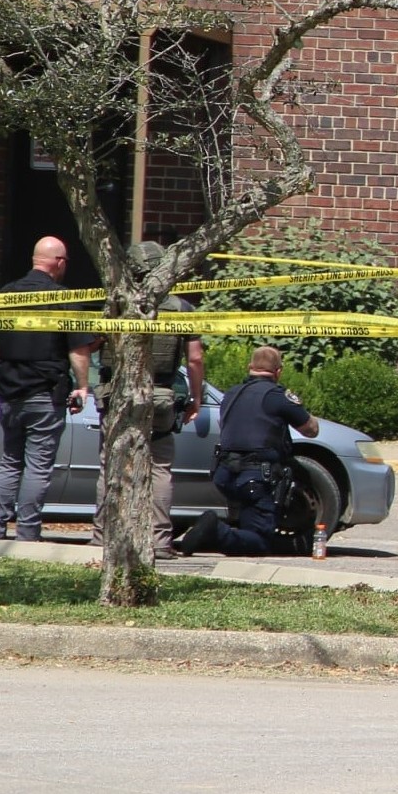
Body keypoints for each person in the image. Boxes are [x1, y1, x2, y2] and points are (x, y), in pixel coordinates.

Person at [91, 240, 205, 562]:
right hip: (160, 394)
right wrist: (196, 399)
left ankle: (101, 536)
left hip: (117, 393)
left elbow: (90, 342)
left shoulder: (115, 304)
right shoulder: (182, 309)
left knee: (110, 463)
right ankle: (159, 540)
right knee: (160, 468)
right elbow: (195, 359)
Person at [0, 237, 94, 543]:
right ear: (59, 262)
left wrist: (4, 367)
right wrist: (83, 386)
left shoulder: (5, 294)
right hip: (44, 394)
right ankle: (28, 533)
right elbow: (78, 350)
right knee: (38, 467)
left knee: (10, 462)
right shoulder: (63, 298)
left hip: (9, 393)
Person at [174, 345, 317, 557]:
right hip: (256, 478)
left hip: (225, 475)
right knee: (259, 542)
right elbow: (311, 430)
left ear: (250, 366)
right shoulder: (277, 396)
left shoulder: (231, 394)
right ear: (278, 371)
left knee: (250, 524)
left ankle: (220, 531)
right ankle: (216, 532)